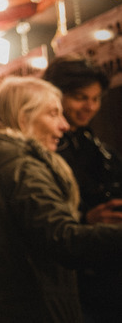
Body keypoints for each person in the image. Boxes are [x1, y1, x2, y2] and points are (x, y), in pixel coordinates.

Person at [0, 76, 122, 322]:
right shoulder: (22, 169)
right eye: (53, 114)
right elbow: (64, 240)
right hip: (32, 309)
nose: (64, 125)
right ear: (23, 118)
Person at [42, 56, 122, 322]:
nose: (89, 106)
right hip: (74, 283)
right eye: (79, 97)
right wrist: (86, 219)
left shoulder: (95, 145)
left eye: (95, 98)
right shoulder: (44, 151)